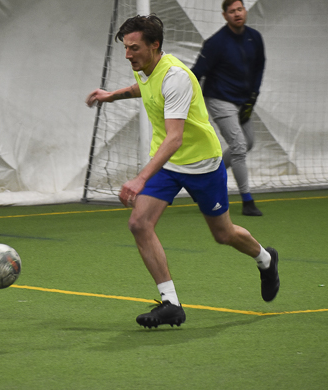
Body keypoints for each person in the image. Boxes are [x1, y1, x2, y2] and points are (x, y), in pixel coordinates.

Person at [85, 15, 279, 329]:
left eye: (134, 48)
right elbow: (144, 88)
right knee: (139, 223)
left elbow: (175, 138)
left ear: (154, 45)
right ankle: (171, 304)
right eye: (126, 48)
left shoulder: (176, 77)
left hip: (202, 165)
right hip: (168, 165)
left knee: (223, 234)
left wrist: (140, 178)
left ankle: (265, 259)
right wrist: (111, 95)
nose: (128, 54)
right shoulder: (145, 67)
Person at [191, 0, 266, 216]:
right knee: (239, 146)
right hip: (219, 98)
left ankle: (204, 181)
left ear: (245, 11)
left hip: (244, 101)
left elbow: (259, 66)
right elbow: (197, 72)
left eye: (239, 9)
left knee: (248, 143)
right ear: (225, 16)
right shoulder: (215, 43)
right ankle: (247, 201)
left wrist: (253, 96)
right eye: (232, 11)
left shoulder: (254, 37)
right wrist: (183, 97)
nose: (237, 14)